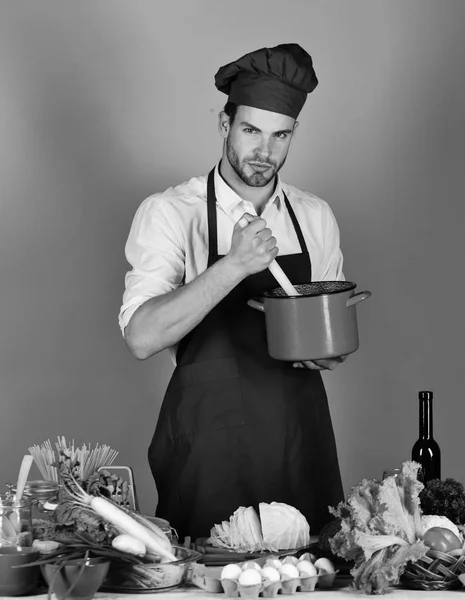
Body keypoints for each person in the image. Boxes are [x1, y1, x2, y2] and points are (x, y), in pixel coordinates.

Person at [119, 43, 347, 541]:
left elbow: (325, 326)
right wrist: (234, 265)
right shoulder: (171, 213)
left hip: (298, 433)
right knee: (207, 579)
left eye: (279, 135)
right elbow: (141, 337)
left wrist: (327, 350)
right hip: (210, 442)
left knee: (313, 576)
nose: (264, 151)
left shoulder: (314, 217)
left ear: (292, 136)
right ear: (225, 126)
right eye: (250, 131)